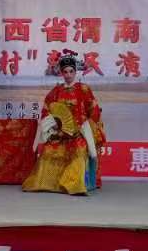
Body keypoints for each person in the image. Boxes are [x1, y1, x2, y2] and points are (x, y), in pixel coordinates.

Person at [23, 50, 105, 195]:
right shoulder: (56, 91)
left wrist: (86, 125)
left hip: (78, 132)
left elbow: (94, 110)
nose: (68, 75)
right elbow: (46, 109)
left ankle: (76, 185)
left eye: (71, 71)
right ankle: (49, 184)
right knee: (49, 150)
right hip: (59, 133)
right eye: (65, 72)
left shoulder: (84, 89)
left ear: (75, 72)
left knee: (80, 149)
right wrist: (53, 123)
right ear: (61, 73)